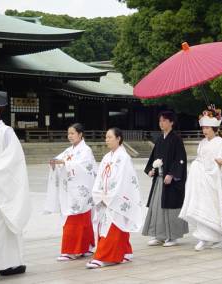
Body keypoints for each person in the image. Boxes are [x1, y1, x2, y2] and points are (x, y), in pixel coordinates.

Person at [0, 90, 31, 282]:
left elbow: (12, 162)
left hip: (0, 190)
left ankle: (3, 265)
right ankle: (9, 263)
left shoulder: (6, 133)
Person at [86, 128, 142, 268]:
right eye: (106, 137)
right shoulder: (106, 157)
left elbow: (123, 180)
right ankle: (125, 252)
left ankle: (104, 257)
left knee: (113, 225)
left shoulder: (124, 158)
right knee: (112, 225)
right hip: (105, 197)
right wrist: (98, 194)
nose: (107, 140)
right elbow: (99, 177)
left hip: (116, 197)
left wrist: (110, 197)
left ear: (118, 139)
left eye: (110, 137)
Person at [45, 123, 97, 261]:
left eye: (73, 133)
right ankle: (86, 247)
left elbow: (85, 168)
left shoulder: (86, 150)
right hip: (71, 192)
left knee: (76, 219)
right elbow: (60, 159)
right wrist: (55, 163)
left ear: (80, 134)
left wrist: (65, 163)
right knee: (80, 220)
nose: (70, 136)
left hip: (81, 192)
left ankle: (72, 250)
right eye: (68, 133)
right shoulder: (69, 151)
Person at [179, 108, 222, 251]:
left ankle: (218, 237)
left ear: (214, 128)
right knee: (202, 207)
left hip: (215, 180)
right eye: (203, 127)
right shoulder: (202, 143)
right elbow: (200, 159)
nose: (205, 130)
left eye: (207, 127)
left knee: (214, 207)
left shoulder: (220, 142)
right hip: (202, 181)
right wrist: (197, 165)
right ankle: (203, 238)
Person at [142, 111, 189, 247]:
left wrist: (172, 174)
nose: (161, 123)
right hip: (159, 180)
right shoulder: (160, 139)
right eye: (160, 121)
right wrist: (151, 169)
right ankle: (160, 235)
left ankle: (172, 237)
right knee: (157, 207)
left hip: (170, 182)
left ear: (171, 122)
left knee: (171, 208)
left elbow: (180, 159)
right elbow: (154, 158)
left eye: (164, 120)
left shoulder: (176, 139)